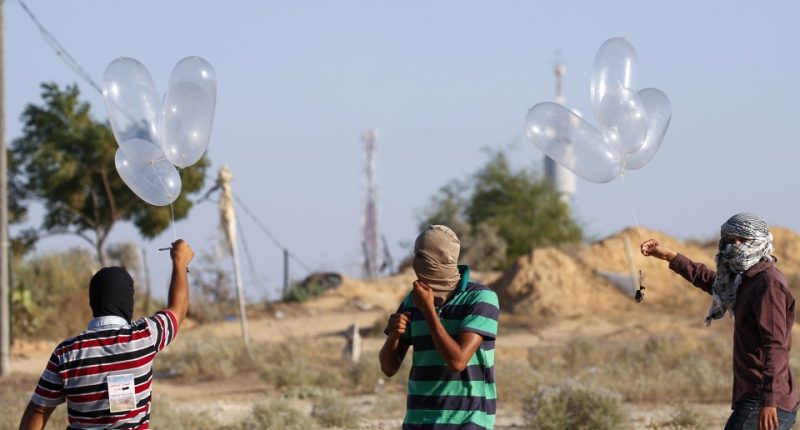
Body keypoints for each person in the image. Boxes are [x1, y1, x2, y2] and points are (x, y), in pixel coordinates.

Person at [641, 213, 798, 430]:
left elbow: (775, 345)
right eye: (730, 240)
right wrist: (670, 256)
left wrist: (769, 399)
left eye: (742, 240)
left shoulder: (768, 284)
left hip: (765, 400)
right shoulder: (744, 279)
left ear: (759, 241)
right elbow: (712, 282)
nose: (735, 246)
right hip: (755, 396)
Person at [19, 240, 194, 430]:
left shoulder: (66, 352)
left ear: (93, 302)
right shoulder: (144, 338)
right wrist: (179, 262)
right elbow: (178, 309)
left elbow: (38, 409)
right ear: (128, 300)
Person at [379, 225, 499, 430]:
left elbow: (458, 361)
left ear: (443, 261)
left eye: (423, 257)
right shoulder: (412, 301)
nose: (417, 263)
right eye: (416, 255)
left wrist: (428, 311)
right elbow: (389, 368)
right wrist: (393, 336)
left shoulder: (481, 298)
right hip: (419, 421)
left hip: (467, 421)